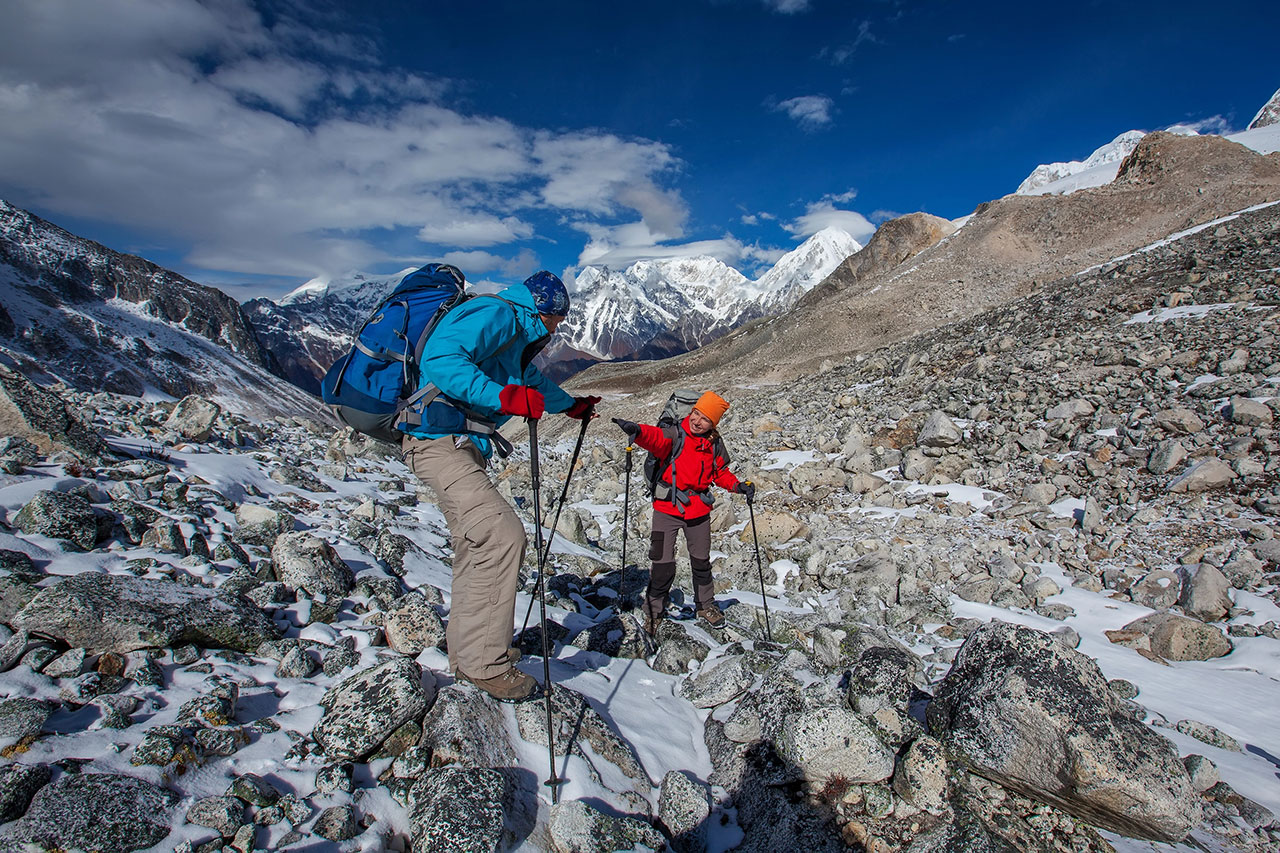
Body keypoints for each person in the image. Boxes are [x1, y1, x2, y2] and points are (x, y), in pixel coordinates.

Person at [401, 270, 599, 702]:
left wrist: (571, 406)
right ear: (541, 309)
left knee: (477, 546)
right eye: (557, 318)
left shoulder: (513, 332)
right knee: (502, 536)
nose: (558, 327)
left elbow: (528, 380)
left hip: (454, 442)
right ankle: (486, 667)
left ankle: (469, 652)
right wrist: (503, 399)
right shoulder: (496, 313)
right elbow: (441, 359)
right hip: (436, 442)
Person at [612, 391, 753, 635]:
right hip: (667, 508)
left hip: (698, 510)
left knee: (701, 562)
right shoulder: (675, 434)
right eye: (696, 413)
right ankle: (654, 611)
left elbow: (719, 473)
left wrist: (738, 486)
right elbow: (655, 438)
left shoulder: (714, 444)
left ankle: (705, 606)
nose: (697, 421)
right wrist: (637, 430)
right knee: (662, 564)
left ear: (714, 424)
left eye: (705, 419)